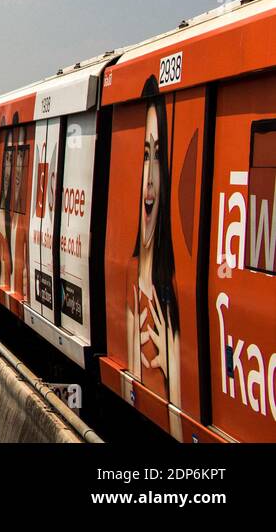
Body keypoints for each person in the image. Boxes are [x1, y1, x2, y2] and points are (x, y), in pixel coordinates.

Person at [125, 76, 182, 411]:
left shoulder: (170, 301)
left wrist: (172, 368)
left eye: (158, 155)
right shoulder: (133, 293)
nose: (149, 174)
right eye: (146, 154)